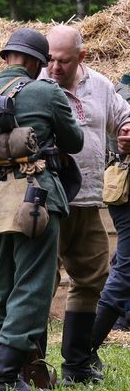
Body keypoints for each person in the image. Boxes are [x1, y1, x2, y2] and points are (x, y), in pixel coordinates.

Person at [0, 28, 84, 391]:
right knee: (33, 287)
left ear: (6, 58)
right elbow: (75, 141)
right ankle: (2, 378)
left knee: (0, 288)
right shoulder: (46, 92)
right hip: (36, 199)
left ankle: (8, 373)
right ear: (35, 62)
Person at [44, 26, 130, 385]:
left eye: (63, 60)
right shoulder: (38, 87)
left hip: (89, 199)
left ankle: (77, 365)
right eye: (49, 58)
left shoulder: (102, 86)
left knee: (93, 277)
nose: (54, 67)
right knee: (42, 282)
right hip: (48, 201)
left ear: (82, 57)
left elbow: (122, 117)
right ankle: (27, 364)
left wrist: (127, 131)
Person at [90, 73, 130, 368]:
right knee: (127, 265)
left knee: (124, 260)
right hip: (126, 190)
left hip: (121, 190)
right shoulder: (122, 93)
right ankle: (85, 346)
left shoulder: (115, 90)